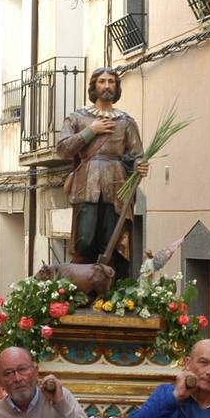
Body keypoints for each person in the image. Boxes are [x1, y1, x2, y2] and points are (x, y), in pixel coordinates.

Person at [55, 67, 149, 272]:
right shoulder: (78, 118)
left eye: (111, 82)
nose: (107, 86)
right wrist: (91, 131)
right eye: (102, 81)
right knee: (85, 239)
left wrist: (139, 165)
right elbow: (62, 149)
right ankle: (81, 288)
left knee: (113, 242)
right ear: (94, 86)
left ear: (116, 87)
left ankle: (111, 291)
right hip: (85, 187)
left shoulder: (125, 121)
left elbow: (136, 153)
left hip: (116, 188)